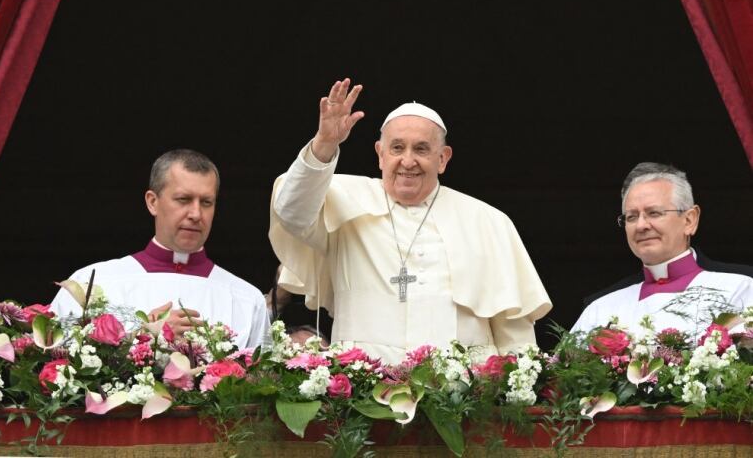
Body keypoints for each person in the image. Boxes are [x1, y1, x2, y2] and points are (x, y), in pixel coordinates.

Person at [269, 78, 552, 364]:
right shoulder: (340, 199)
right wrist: (325, 144)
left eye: (421, 149)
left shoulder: (488, 221)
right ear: (380, 154)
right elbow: (292, 212)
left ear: (443, 158)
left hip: (465, 400)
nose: (407, 161)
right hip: (363, 397)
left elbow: (514, 330)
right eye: (397, 148)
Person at [51, 149, 270, 349]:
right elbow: (54, 367)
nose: (196, 214)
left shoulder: (246, 298)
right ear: (152, 202)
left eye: (206, 202)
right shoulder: (91, 283)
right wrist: (144, 337)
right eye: (183, 199)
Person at [572, 162, 753, 337]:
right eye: (632, 217)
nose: (641, 225)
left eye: (654, 213)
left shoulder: (742, 288)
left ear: (689, 220)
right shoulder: (600, 309)